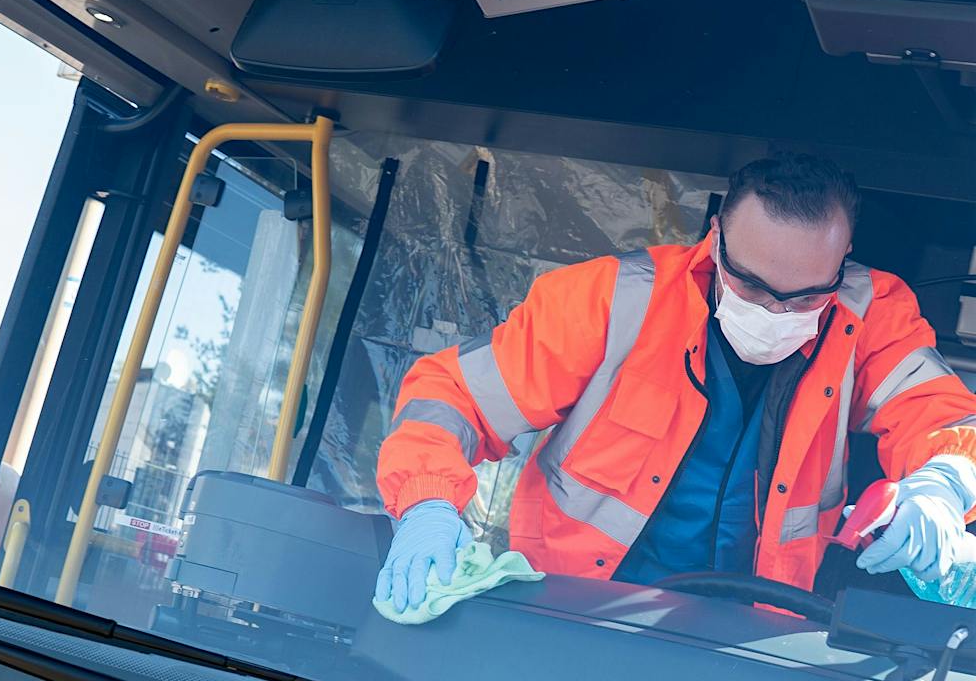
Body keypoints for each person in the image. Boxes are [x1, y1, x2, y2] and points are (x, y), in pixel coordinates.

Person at [375, 153, 976, 617]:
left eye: (805, 296)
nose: (774, 311)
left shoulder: (871, 313)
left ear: (842, 259)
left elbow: (945, 421)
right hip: (568, 609)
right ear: (715, 239)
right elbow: (453, 395)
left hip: (750, 632)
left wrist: (943, 485)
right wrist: (427, 504)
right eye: (751, 286)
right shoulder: (613, 301)